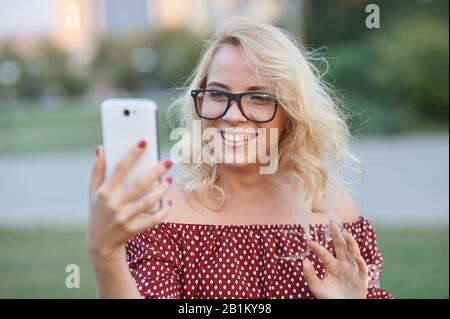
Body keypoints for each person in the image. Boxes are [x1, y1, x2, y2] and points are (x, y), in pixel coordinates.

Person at [87, 17, 393, 299]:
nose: (232, 116)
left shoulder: (335, 214)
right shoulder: (163, 216)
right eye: (218, 94)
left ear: (292, 112)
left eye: (259, 97)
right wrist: (105, 253)